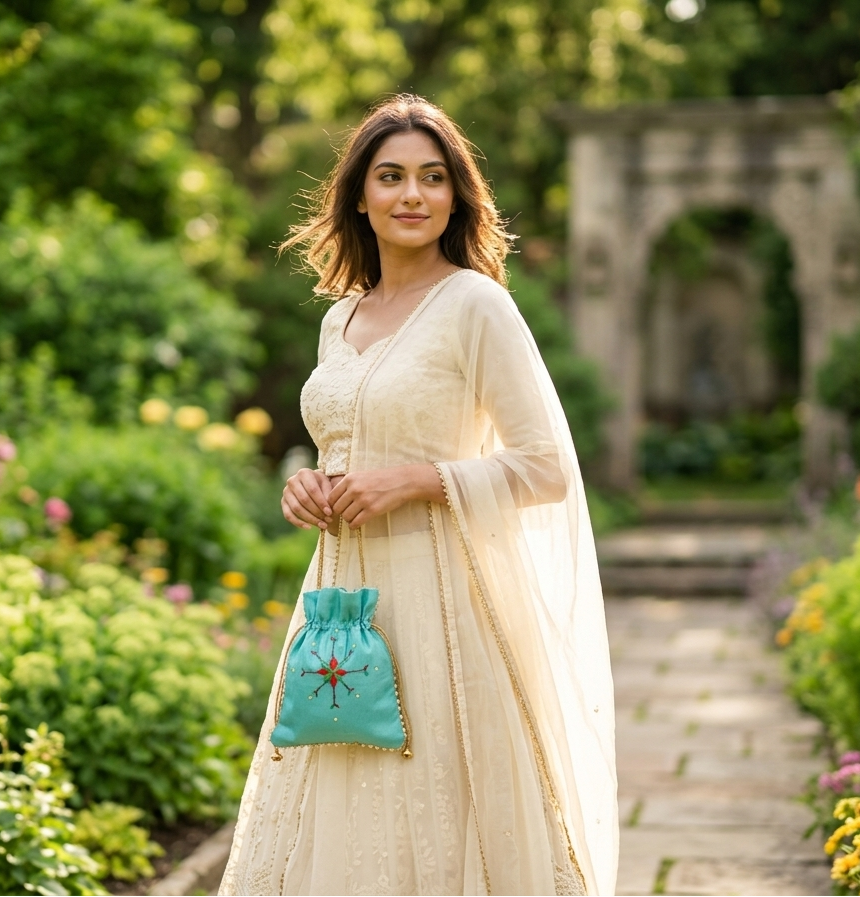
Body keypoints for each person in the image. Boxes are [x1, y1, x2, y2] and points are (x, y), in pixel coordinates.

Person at [219, 95, 617, 897]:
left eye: (432, 178)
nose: (412, 195)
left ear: (455, 196)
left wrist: (423, 479)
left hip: (444, 609)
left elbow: (545, 466)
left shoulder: (476, 305)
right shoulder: (340, 320)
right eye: (391, 176)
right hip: (339, 607)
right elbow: (349, 444)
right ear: (358, 196)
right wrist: (310, 483)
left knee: (437, 802)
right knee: (336, 801)